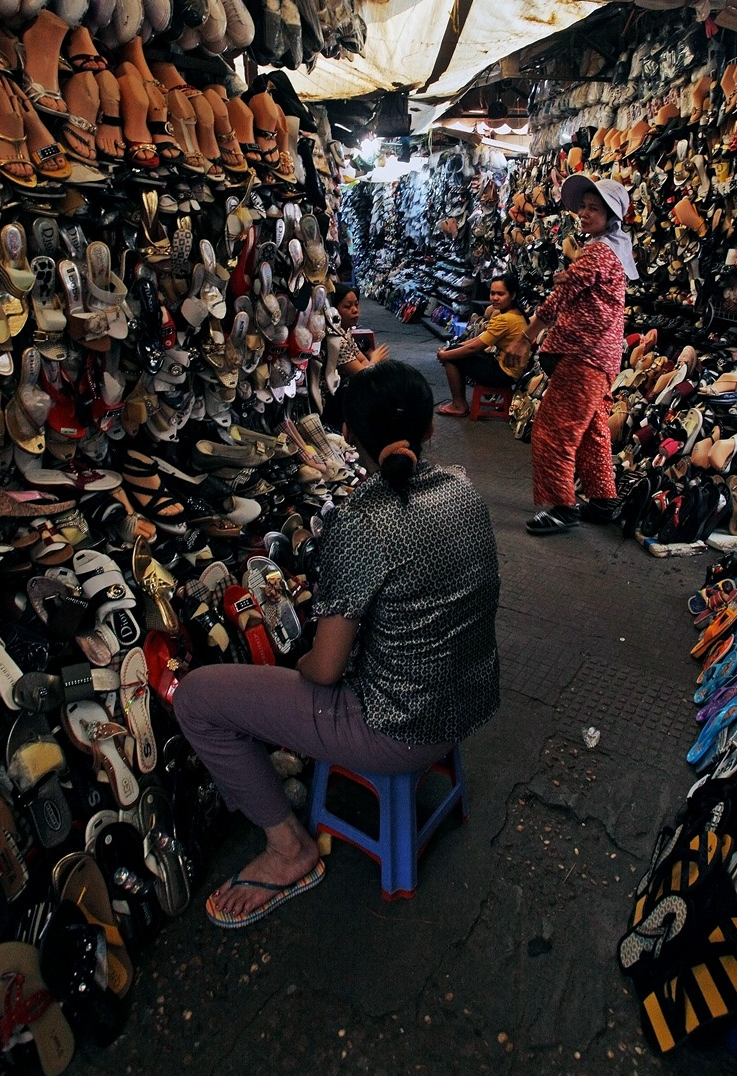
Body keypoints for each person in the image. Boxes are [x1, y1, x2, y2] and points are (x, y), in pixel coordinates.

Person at [174, 360, 501, 929]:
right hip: (468, 701)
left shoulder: (361, 524)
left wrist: (296, 659)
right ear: (428, 431)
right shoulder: (464, 490)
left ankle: (289, 850)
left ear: (347, 435)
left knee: (197, 698)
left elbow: (324, 672)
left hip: (397, 730)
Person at [504, 175, 637, 537]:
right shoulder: (611, 250)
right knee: (593, 430)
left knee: (553, 428)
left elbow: (562, 295)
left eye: (594, 209)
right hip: (600, 359)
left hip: (584, 357)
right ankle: (603, 499)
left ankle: (562, 507)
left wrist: (527, 338)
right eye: (583, 206)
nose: (584, 213)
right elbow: (567, 294)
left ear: (611, 216)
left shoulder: (598, 252)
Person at [435, 272, 529, 416]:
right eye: (492, 293)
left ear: (513, 295)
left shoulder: (505, 319)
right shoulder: (515, 313)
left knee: (451, 359)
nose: (495, 298)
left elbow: (475, 347)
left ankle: (459, 405)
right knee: (454, 351)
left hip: (503, 373)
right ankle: (459, 403)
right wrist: (453, 348)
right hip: (508, 369)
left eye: (500, 294)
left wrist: (445, 355)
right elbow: (480, 338)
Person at [324, 284, 388, 429]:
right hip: (335, 399)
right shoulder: (336, 340)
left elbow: (363, 361)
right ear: (333, 311)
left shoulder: (344, 332)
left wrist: (371, 362)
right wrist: (375, 359)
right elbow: (362, 375)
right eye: (347, 306)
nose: (355, 310)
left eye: (356, 305)